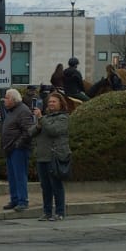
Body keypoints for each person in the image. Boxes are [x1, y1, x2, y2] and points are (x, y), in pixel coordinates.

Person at [30, 89, 71, 221]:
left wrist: (41, 119)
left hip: (54, 157)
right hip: (42, 157)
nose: (51, 104)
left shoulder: (63, 118)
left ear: (60, 103)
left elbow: (54, 131)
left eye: (54, 101)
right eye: (50, 102)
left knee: (56, 185)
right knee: (45, 187)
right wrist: (38, 125)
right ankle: (47, 212)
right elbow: (30, 132)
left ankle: (59, 212)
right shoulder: (45, 118)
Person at [0, 88, 33, 212]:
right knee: (12, 176)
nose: (4, 100)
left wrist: (18, 144)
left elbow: (28, 131)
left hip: (18, 149)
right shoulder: (12, 111)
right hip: (10, 148)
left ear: (13, 100)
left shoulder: (23, 111)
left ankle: (22, 201)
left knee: (20, 176)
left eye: (7, 98)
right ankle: (14, 199)